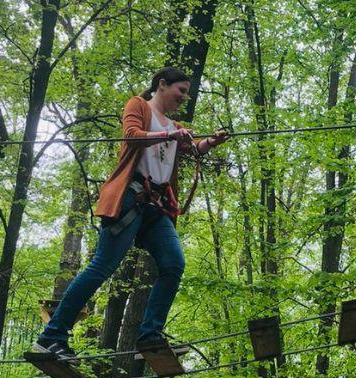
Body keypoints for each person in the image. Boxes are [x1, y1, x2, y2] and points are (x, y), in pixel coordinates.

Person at [33, 67, 228, 359]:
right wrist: (170, 133)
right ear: (162, 85)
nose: (184, 98)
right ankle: (51, 336)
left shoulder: (171, 124)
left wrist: (209, 143)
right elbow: (132, 136)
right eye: (181, 91)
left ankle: (149, 336)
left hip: (156, 208)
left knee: (173, 264)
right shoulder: (138, 106)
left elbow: (189, 150)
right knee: (102, 266)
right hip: (130, 198)